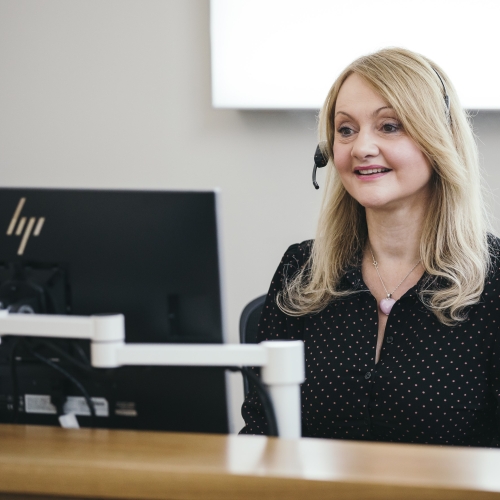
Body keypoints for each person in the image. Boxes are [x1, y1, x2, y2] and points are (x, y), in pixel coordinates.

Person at [240, 47, 500, 447]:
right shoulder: (301, 270)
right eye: (345, 130)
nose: (361, 148)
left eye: (389, 126)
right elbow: (260, 434)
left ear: (438, 140)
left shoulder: (494, 282)